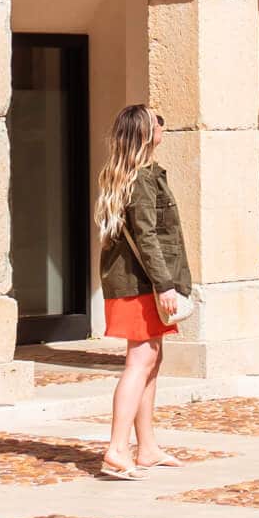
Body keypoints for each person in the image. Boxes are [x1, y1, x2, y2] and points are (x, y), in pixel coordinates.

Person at [94, 103, 191, 479]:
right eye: (157, 122)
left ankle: (146, 447)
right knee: (140, 360)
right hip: (139, 283)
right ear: (145, 133)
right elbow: (146, 237)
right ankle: (118, 448)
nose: (163, 126)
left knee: (152, 358)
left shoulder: (137, 174)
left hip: (140, 282)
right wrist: (164, 284)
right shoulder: (141, 179)